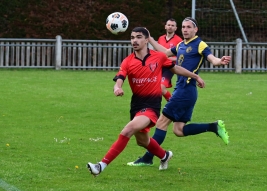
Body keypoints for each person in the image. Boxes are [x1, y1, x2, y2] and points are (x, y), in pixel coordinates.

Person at [87, 27, 206, 177]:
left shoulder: (158, 57)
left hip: (151, 107)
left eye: (138, 37)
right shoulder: (128, 61)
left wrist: (195, 77)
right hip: (136, 106)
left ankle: (101, 166)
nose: (134, 40)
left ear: (146, 39)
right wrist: (117, 87)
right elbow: (120, 77)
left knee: (127, 131)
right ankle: (164, 155)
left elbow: (175, 69)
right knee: (143, 141)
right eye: (132, 37)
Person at [127, 17, 231, 167]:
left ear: (196, 30)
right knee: (179, 130)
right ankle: (213, 126)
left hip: (185, 91)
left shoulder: (199, 44)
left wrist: (219, 61)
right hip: (185, 91)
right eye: (183, 27)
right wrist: (150, 39)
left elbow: (211, 58)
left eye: (189, 27)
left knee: (162, 122)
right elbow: (164, 53)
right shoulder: (181, 44)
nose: (185, 30)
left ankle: (148, 158)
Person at [158, 18, 183, 101]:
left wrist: (168, 58)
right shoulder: (160, 39)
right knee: (154, 89)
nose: (170, 27)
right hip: (159, 67)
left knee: (161, 88)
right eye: (168, 25)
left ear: (176, 28)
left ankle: (173, 104)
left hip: (170, 67)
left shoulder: (179, 41)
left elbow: (180, 57)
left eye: (172, 25)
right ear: (165, 26)